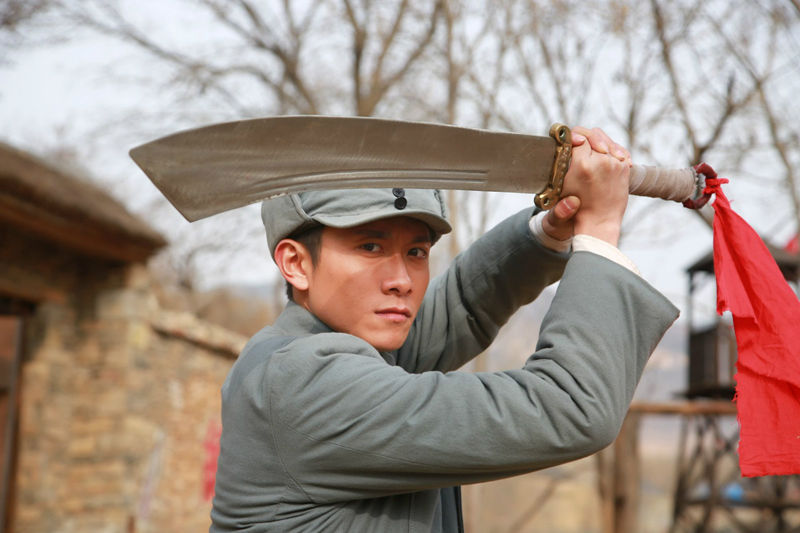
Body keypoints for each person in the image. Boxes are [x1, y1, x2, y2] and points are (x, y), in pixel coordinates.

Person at [209, 127, 679, 532]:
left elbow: (461, 307)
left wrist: (551, 231)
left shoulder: (340, 350)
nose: (401, 280)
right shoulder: (303, 382)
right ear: (296, 264)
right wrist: (598, 233)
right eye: (370, 247)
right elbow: (569, 407)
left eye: (416, 252)